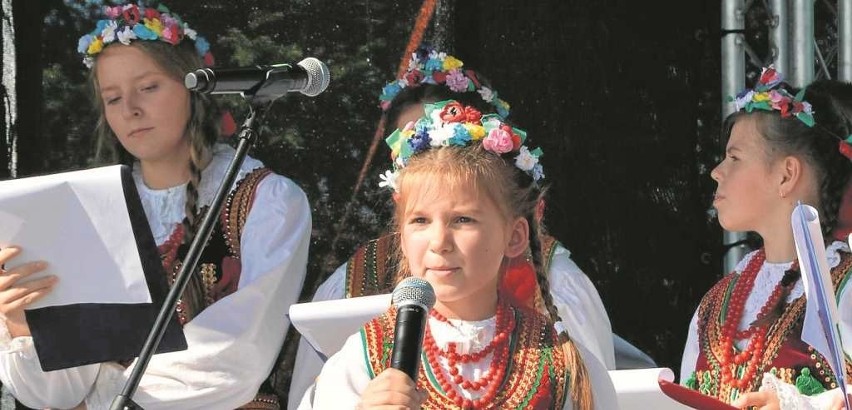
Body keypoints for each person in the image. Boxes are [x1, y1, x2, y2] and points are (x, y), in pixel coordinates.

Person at [0, 3, 310, 409]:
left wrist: (108, 397)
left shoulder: (266, 200)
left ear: (193, 88)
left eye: (148, 87)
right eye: (112, 98)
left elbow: (236, 354)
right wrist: (23, 327)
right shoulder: (88, 214)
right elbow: (57, 393)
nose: (130, 109)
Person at [289, 46, 616, 409]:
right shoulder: (366, 358)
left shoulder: (560, 363)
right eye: (420, 221)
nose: (439, 242)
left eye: (463, 220)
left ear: (515, 236)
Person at [679, 67, 852, 408]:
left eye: (734, 157)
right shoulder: (716, 304)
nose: (717, 171)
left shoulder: (844, 290)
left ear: (786, 175)